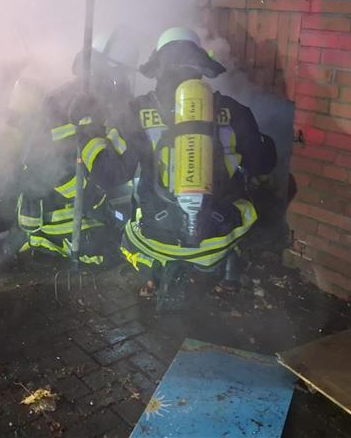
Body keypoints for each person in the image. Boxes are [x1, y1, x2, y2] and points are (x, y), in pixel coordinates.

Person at [118, 27, 277, 309]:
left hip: (154, 236)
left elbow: (114, 176)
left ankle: (152, 276)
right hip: (216, 236)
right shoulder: (234, 110)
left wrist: (88, 135)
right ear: (201, 68)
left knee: (130, 221)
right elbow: (263, 165)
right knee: (259, 198)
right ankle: (228, 276)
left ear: (157, 67)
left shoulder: (135, 111)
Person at [3, 28, 139, 266]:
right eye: (125, 75)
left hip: (36, 219)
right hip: (72, 225)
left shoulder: (65, 96)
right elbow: (113, 174)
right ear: (113, 74)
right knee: (128, 248)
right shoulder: (89, 108)